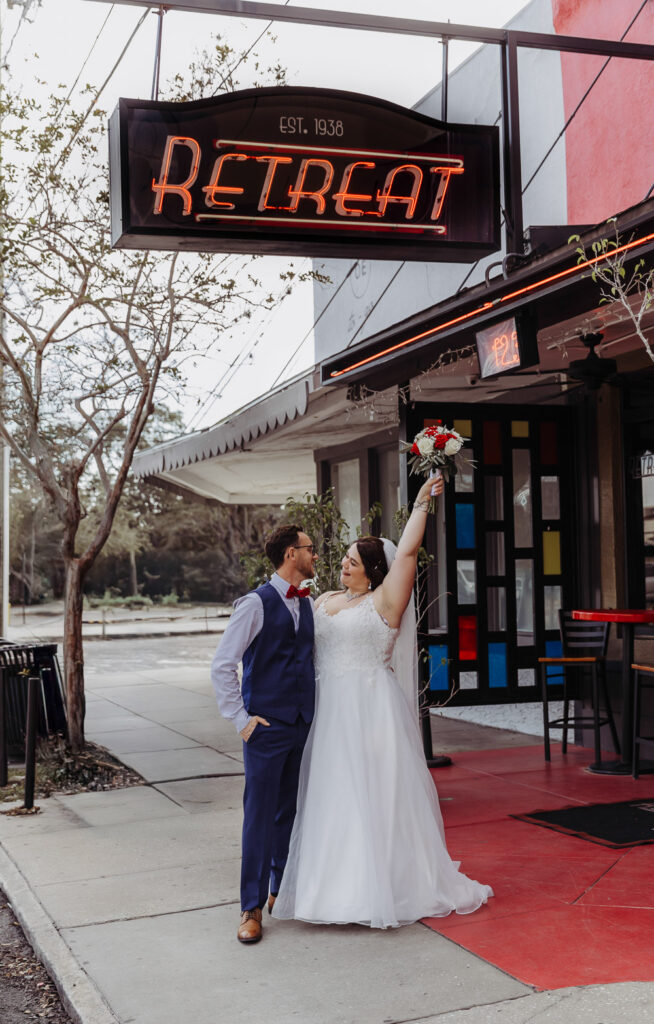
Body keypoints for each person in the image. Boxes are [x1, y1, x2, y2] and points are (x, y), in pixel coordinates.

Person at [273, 475, 493, 928]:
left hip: (370, 709)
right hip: (328, 711)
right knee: (331, 795)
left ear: (374, 570)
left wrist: (420, 505)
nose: (344, 566)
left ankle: (380, 888)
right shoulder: (324, 599)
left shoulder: (385, 601)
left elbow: (408, 552)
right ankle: (326, 892)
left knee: (373, 796)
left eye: (353, 562)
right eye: (344, 560)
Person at [211, 523, 318, 944]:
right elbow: (223, 664)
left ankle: (279, 891)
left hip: (300, 725)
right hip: (266, 728)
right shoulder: (254, 604)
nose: (315, 555)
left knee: (287, 812)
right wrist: (241, 719)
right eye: (309, 548)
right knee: (258, 817)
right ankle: (250, 907)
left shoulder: (307, 603)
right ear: (292, 554)